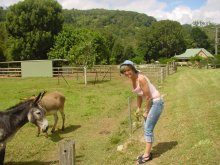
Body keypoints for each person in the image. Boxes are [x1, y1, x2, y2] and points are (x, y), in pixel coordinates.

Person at [120, 60, 164, 164]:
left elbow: (148, 97)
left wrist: (146, 111)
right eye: (124, 72)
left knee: (148, 128)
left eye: (128, 70)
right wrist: (138, 108)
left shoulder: (141, 78)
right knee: (146, 127)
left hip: (156, 103)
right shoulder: (133, 78)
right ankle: (147, 152)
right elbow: (139, 94)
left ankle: (147, 155)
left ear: (132, 68)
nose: (126, 73)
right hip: (152, 103)